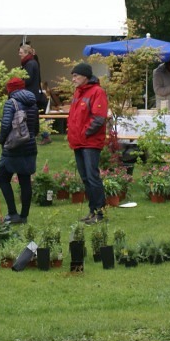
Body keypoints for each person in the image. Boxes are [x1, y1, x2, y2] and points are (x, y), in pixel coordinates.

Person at [67, 62, 109, 224]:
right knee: (85, 177)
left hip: (90, 142)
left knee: (92, 177)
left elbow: (99, 118)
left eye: (75, 76)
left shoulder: (97, 92)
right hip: (79, 142)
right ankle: (92, 211)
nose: (73, 79)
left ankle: (100, 212)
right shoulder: (78, 92)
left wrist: (85, 133)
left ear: (85, 76)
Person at [0, 77, 39, 224]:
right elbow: (36, 127)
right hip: (29, 146)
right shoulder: (33, 103)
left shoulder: (11, 103)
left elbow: (6, 125)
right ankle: (24, 216)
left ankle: (13, 213)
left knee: (3, 178)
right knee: (25, 180)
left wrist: (1, 140)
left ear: (10, 89)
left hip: (13, 147)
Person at [19, 42, 51, 143]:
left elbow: (28, 80)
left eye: (21, 52)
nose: (19, 54)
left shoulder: (29, 64)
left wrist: (19, 81)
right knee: (35, 116)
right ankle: (41, 135)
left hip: (31, 94)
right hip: (34, 93)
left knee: (33, 116)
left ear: (26, 53)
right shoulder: (32, 62)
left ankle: (43, 135)